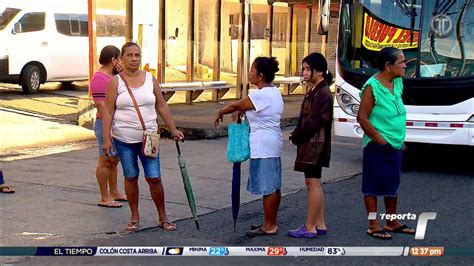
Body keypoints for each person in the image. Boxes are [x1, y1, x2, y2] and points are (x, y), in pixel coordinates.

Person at [102, 42, 184, 231]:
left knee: (154, 177)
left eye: (137, 55)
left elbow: (161, 105)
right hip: (124, 139)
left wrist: (173, 129)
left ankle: (163, 217)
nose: (133, 59)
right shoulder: (116, 81)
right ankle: (134, 217)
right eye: (129, 55)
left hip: (150, 138)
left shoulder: (150, 79)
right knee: (130, 176)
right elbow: (108, 110)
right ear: (122, 58)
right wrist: (106, 138)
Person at [214, 57, 284, 237]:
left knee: (268, 187)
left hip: (263, 144)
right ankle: (270, 221)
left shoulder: (260, 95)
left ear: (260, 75)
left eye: (252, 70)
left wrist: (221, 111)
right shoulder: (273, 92)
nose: (250, 73)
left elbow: (237, 104)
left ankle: (269, 226)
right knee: (274, 185)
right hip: (273, 143)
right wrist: (242, 110)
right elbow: (247, 107)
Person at [356, 47, 415, 239]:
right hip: (377, 145)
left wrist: (399, 140)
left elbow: (395, 113)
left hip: (395, 144)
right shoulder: (372, 86)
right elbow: (362, 118)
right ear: (388, 66)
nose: (405, 65)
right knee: (372, 185)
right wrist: (381, 142)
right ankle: (373, 224)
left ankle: (392, 221)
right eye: (401, 62)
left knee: (392, 184)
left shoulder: (397, 83)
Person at [287, 52, 333, 238]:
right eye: (303, 69)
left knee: (312, 184)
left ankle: (309, 227)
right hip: (315, 144)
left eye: (308, 69)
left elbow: (313, 122)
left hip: (315, 146)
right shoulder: (317, 89)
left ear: (319, 71)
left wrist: (296, 135)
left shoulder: (322, 93)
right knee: (315, 184)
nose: (304, 73)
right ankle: (319, 224)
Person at [90, 45, 127, 208]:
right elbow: (101, 106)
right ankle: (104, 197)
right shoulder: (99, 78)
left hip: (116, 123)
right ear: (113, 60)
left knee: (113, 160)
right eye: (119, 58)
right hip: (105, 124)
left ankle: (114, 192)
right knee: (104, 160)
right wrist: (108, 130)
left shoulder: (114, 77)